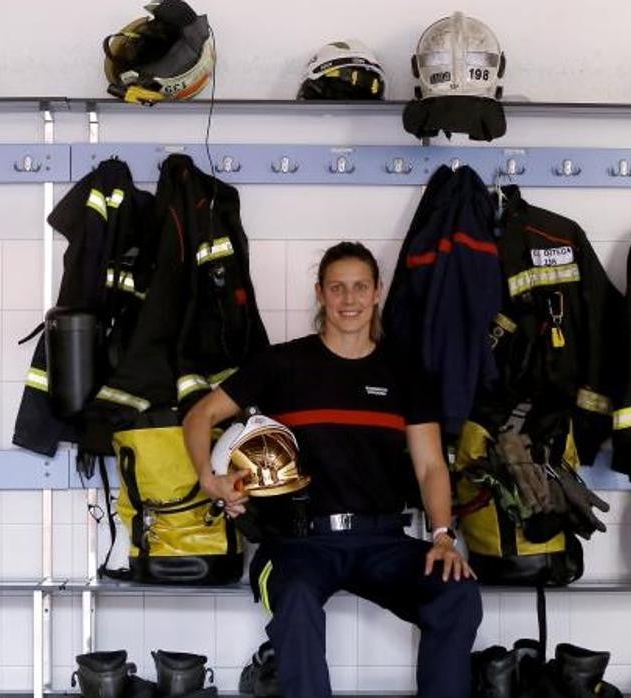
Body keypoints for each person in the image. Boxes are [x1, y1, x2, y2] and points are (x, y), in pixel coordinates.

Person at [183, 241, 482, 698]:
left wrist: (442, 535)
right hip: (298, 544)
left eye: (360, 287)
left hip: (382, 541)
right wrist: (210, 477)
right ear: (320, 293)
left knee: (456, 593)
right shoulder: (281, 363)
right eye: (338, 288)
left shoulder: (404, 370)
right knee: (298, 600)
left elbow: (429, 467)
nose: (350, 299)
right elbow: (199, 416)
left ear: (377, 292)